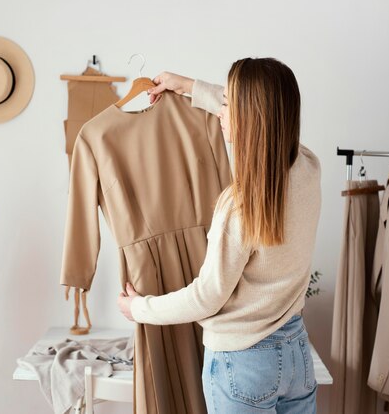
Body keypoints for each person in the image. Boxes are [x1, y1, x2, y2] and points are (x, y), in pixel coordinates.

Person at [117, 57, 321, 414]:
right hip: (296, 355)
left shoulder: (239, 208)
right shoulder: (307, 167)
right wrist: (189, 86)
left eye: (228, 105)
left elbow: (206, 297)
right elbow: (265, 112)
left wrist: (139, 308)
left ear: (248, 118)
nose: (221, 113)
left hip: (243, 364)